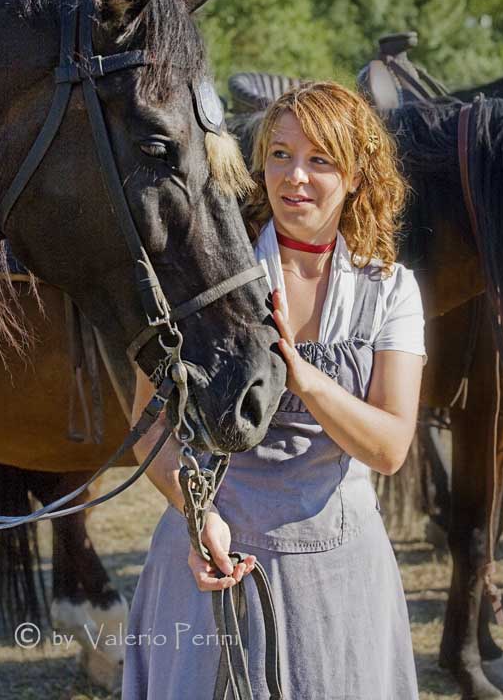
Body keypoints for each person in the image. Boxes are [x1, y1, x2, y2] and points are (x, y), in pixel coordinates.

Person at [122, 81, 426, 699]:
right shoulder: (197, 274)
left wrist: (305, 376)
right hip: (212, 555)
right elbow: (147, 426)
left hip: (337, 571)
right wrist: (197, 514)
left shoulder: (392, 291)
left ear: (357, 176)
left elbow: (390, 447)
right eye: (281, 154)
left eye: (321, 160)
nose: (296, 178)